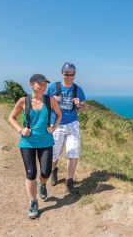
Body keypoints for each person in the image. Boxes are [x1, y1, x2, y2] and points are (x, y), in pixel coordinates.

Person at [8, 74, 62, 219]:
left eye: (45, 84)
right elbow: (11, 118)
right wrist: (20, 130)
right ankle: (33, 201)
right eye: (41, 84)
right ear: (32, 84)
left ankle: (42, 184)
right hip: (27, 142)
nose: (44, 86)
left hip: (46, 141)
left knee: (45, 173)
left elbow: (59, 115)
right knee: (31, 173)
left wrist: (54, 127)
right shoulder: (23, 101)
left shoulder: (49, 100)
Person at [45, 62, 86, 195]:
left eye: (71, 74)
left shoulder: (78, 90)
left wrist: (79, 105)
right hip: (56, 124)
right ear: (62, 73)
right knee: (54, 155)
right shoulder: (53, 87)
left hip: (72, 124)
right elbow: (43, 104)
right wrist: (52, 101)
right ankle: (53, 171)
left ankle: (69, 181)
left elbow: (83, 108)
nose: (69, 77)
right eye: (66, 74)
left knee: (73, 152)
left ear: (75, 75)